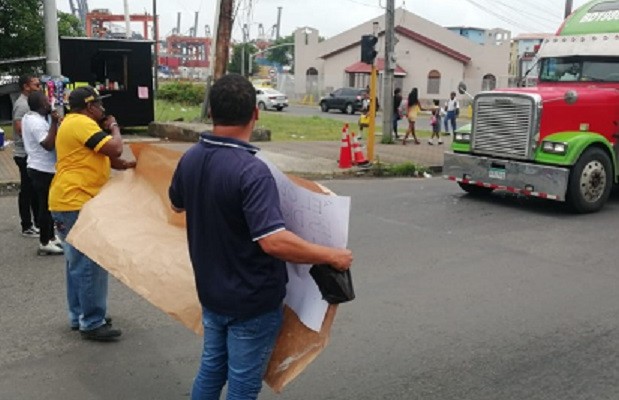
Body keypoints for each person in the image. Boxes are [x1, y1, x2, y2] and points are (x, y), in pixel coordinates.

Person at [168, 74, 353, 400]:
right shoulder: (251, 171)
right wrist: (330, 255)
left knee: (211, 368)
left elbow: (176, 203)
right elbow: (273, 241)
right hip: (251, 301)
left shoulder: (191, 158)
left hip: (211, 292)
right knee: (242, 383)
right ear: (256, 113)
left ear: (210, 112)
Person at [49, 86, 135, 341]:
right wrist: (115, 127)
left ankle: (81, 316)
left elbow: (112, 160)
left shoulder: (73, 124)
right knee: (90, 263)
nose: (103, 109)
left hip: (67, 201)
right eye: (99, 104)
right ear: (89, 107)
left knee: (77, 263)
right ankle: (92, 321)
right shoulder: (82, 124)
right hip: (76, 201)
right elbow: (115, 149)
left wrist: (133, 165)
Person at [21, 91, 63, 255]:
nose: (50, 103)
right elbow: (47, 144)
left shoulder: (31, 117)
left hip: (43, 167)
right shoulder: (35, 122)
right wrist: (53, 123)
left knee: (49, 205)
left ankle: (51, 237)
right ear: (41, 105)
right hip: (42, 169)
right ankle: (44, 242)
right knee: (45, 206)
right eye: (47, 101)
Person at [12, 74, 41, 237]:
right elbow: (19, 128)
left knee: (35, 190)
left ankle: (37, 222)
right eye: (36, 85)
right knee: (27, 190)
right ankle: (27, 225)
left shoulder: (30, 103)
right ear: (26, 86)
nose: (39, 87)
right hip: (23, 153)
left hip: (31, 153)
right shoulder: (22, 105)